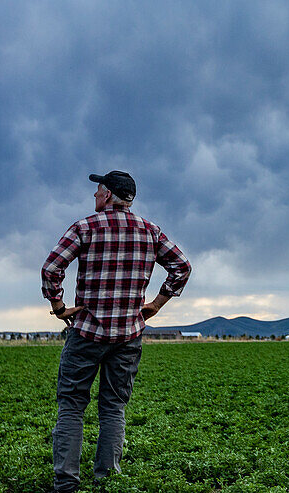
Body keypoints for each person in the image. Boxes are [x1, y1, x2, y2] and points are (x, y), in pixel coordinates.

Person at [41, 170, 191, 492]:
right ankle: (107, 481)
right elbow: (182, 266)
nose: (94, 197)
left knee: (71, 406)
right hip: (129, 335)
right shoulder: (150, 231)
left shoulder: (85, 227)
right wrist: (157, 304)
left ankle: (66, 484)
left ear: (108, 194)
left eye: (97, 191)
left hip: (86, 333)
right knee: (113, 407)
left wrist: (58, 307)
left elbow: (52, 268)